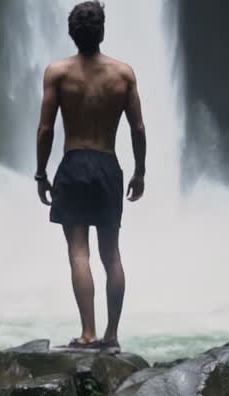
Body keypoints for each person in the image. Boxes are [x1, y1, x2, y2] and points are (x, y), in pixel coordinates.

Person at [35, 1, 146, 351]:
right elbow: (138, 128)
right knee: (111, 255)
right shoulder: (123, 74)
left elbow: (46, 128)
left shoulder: (58, 73)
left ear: (72, 33)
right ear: (102, 31)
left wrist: (41, 172)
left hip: (74, 163)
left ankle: (88, 333)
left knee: (79, 253)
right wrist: (140, 171)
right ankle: (112, 337)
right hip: (108, 163)